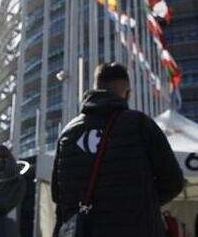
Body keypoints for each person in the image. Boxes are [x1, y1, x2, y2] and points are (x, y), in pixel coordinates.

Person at [51, 63, 184, 236]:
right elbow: (173, 182)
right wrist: (141, 205)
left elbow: (58, 195)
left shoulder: (68, 133)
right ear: (127, 93)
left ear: (96, 88)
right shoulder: (140, 124)